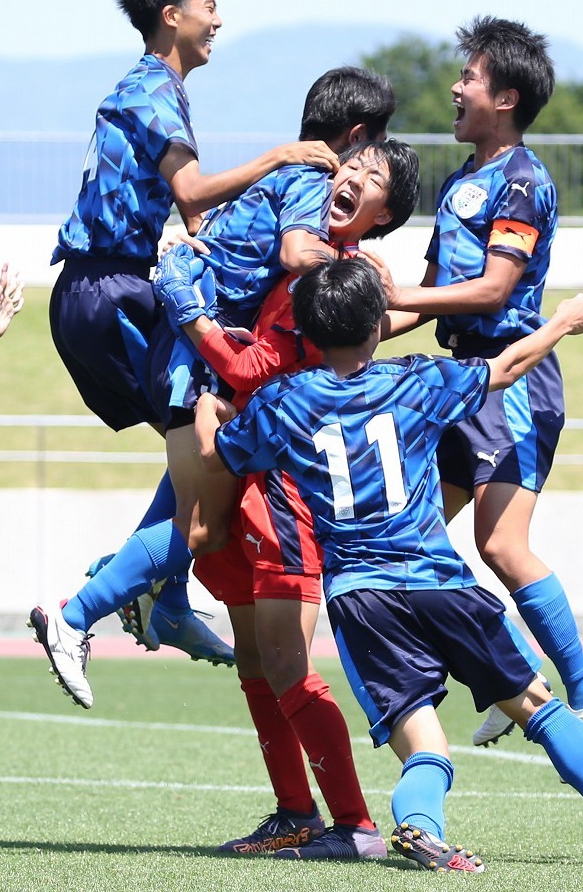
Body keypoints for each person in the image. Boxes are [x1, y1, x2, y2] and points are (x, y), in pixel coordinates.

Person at [195, 256, 583, 871]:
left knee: (424, 744)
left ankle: (421, 826)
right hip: (439, 582)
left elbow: (217, 459)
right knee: (538, 707)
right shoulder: (415, 380)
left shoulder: (284, 401)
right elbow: (504, 370)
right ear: (376, 327)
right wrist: (559, 324)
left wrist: (209, 413)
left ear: (307, 334)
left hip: (362, 599)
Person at [31, 67, 395, 708]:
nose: (357, 176)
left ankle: (163, 599)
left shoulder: (288, 179)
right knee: (201, 527)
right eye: (366, 158)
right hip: (194, 351)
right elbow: (292, 255)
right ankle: (76, 614)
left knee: (197, 508)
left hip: (194, 340)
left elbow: (216, 231)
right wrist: (359, 274)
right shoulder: (310, 180)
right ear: (356, 137)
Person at [159, 139, 419, 860]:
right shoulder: (323, 264)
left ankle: (356, 824)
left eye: (371, 177)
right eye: (349, 165)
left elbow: (251, 363)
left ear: (387, 213)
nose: (350, 177)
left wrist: (191, 315)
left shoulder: (339, 279)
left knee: (287, 667)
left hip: (287, 498)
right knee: (256, 662)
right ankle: (294, 811)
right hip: (257, 485)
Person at [368, 16, 583, 751]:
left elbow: (492, 290)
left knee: (502, 546)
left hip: (512, 382)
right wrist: (365, 335)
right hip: (457, 383)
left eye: (469, 78)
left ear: (505, 96)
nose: (454, 87)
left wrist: (402, 299)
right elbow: (438, 289)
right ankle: (514, 672)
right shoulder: (461, 182)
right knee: (410, 541)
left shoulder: (523, 179)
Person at [48, 0, 337, 435]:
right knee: (204, 437)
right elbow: (193, 190)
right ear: (171, 16)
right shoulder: (154, 89)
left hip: (97, 290)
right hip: (108, 291)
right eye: (209, 7)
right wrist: (282, 156)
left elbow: (192, 212)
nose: (219, 21)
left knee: (201, 443)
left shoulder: (151, 86)